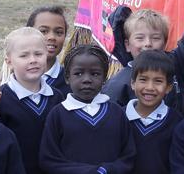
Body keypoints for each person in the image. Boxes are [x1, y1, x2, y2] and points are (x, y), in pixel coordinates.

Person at [102, 7, 184, 116]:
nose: (148, 43)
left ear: (165, 42)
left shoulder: (176, 65)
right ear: (127, 45)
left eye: (155, 38)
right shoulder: (118, 85)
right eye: (140, 38)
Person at [39, 44, 136, 173]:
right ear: (67, 78)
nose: (87, 80)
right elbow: (49, 160)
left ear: (104, 78)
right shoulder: (58, 115)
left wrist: (106, 170)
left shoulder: (117, 112)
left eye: (95, 74)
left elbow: (128, 156)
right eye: (78, 73)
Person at [0, 27, 65, 174]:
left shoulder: (57, 97)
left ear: (46, 55)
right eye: (24, 56)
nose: (33, 60)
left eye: (38, 54)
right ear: (9, 61)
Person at [124, 50, 183, 174]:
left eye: (158, 81)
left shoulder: (177, 122)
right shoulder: (118, 118)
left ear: (168, 87)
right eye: (143, 79)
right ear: (133, 83)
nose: (150, 87)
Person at [27, 5, 71, 95]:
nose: (51, 37)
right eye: (43, 31)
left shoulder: (71, 82)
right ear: (28, 32)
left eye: (59, 32)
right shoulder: (12, 79)